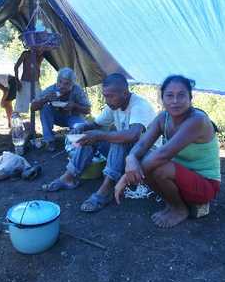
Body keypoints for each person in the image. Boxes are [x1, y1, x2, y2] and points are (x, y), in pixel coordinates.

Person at [114, 75, 221, 228]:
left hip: (205, 185)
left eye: (181, 95)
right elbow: (142, 144)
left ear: (190, 97)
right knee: (145, 160)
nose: (175, 101)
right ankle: (173, 203)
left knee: (157, 164)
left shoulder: (197, 120)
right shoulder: (163, 118)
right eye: (169, 95)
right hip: (180, 177)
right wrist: (130, 158)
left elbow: (164, 154)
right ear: (162, 98)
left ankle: (179, 209)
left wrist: (125, 178)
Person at [41, 73, 157, 213]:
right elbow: (96, 124)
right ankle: (69, 177)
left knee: (117, 138)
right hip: (127, 156)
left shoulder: (139, 106)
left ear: (125, 93)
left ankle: (106, 188)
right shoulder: (113, 105)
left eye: (110, 96)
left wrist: (101, 135)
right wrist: (82, 128)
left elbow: (133, 135)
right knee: (89, 138)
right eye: (105, 95)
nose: (107, 100)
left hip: (146, 156)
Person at [31, 67, 91, 151]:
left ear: (72, 84)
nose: (62, 86)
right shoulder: (51, 90)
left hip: (73, 117)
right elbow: (33, 107)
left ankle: (73, 144)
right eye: (60, 82)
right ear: (57, 81)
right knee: (45, 107)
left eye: (66, 84)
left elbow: (88, 110)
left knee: (81, 126)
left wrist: (75, 106)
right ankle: (49, 140)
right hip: (56, 117)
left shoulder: (77, 90)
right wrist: (46, 99)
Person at [14, 49, 45, 114]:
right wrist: (17, 81)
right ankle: (16, 120)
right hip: (25, 82)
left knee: (41, 103)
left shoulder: (41, 56)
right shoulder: (26, 54)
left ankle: (38, 118)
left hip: (35, 82)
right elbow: (16, 67)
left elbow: (37, 69)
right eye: (40, 48)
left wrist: (38, 80)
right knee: (19, 107)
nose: (41, 49)